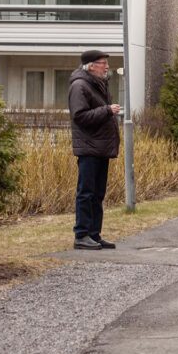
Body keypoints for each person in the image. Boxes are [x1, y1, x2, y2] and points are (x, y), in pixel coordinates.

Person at [68, 49, 121, 251]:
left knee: (98, 193)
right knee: (86, 192)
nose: (107, 66)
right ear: (91, 66)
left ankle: (94, 235)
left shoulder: (98, 84)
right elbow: (79, 116)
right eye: (102, 63)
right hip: (89, 148)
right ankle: (81, 235)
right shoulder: (79, 86)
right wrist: (107, 110)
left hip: (100, 147)